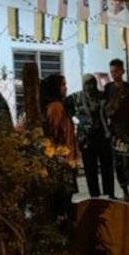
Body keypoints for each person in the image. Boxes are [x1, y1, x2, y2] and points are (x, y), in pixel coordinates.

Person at [66, 74, 116, 199]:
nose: (90, 86)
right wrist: (77, 120)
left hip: (103, 135)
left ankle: (109, 193)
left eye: (92, 83)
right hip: (86, 137)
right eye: (87, 83)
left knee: (107, 167)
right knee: (90, 169)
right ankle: (95, 196)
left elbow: (110, 111)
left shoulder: (102, 96)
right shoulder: (75, 97)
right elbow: (67, 110)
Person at [42, 73, 79, 220]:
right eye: (63, 85)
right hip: (62, 159)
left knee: (64, 197)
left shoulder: (58, 105)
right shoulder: (56, 107)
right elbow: (53, 134)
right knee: (62, 198)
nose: (66, 88)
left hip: (65, 157)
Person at [103, 58, 129, 202]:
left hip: (127, 129)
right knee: (118, 162)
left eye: (117, 71)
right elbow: (105, 109)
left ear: (123, 71)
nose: (114, 74)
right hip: (114, 130)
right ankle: (125, 191)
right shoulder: (108, 88)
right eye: (112, 71)